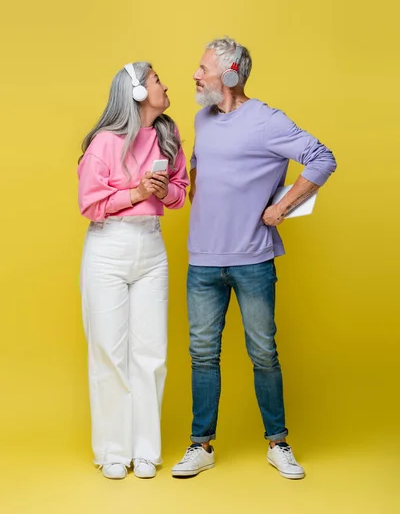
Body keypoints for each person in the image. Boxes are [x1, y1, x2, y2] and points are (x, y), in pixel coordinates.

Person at [172, 37, 337, 480]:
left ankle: (278, 443)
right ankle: (200, 445)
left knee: (263, 352)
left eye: (202, 67)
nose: (195, 74)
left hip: (252, 259)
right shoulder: (202, 119)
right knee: (202, 355)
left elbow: (322, 158)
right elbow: (198, 170)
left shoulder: (266, 121)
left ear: (230, 73)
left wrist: (280, 207)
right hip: (202, 260)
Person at [78, 62, 189, 480]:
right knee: (109, 350)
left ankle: (145, 450)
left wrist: (165, 192)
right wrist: (136, 192)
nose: (166, 84)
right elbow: (89, 203)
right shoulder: (104, 143)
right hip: (108, 245)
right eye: (158, 79)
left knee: (151, 352)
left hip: (151, 246)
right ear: (138, 92)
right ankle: (112, 450)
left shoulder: (168, 135)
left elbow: (179, 192)